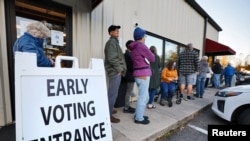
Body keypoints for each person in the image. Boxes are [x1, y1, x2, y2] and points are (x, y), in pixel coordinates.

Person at [128, 27, 155, 125]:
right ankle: (138, 118)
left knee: (145, 97)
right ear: (142, 36)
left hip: (138, 74)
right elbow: (152, 58)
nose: (145, 38)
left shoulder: (134, 47)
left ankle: (139, 114)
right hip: (143, 74)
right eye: (145, 36)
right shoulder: (141, 46)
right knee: (143, 97)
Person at [104, 25, 127, 123]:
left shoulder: (115, 42)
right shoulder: (111, 42)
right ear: (110, 33)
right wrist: (119, 70)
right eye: (115, 30)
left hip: (115, 71)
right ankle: (108, 115)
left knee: (113, 94)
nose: (117, 31)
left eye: (118, 30)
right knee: (112, 94)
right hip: (115, 72)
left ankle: (109, 109)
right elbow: (112, 58)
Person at [122, 40, 136, 113]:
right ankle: (126, 108)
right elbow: (131, 66)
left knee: (129, 91)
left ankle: (127, 106)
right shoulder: (128, 55)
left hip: (128, 75)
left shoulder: (127, 54)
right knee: (129, 92)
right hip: (129, 75)